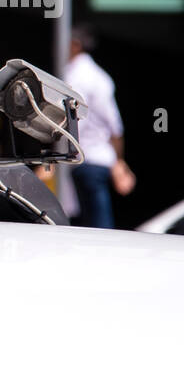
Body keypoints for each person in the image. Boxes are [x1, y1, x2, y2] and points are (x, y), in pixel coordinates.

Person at [64, 25, 134, 228]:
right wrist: (118, 161)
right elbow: (115, 127)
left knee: (92, 228)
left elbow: (70, 121)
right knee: (97, 225)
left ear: (75, 45)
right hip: (98, 159)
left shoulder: (75, 76)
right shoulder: (100, 76)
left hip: (84, 159)